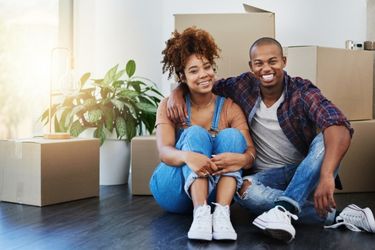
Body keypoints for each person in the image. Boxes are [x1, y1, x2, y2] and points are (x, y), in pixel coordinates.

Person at [167, 37, 375, 243]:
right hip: (265, 177)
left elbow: (339, 125)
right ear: (251, 66)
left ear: (284, 61)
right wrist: (178, 91)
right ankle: (335, 215)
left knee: (325, 139)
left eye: (273, 61)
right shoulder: (242, 86)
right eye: (259, 63)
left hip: (305, 172)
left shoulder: (302, 91)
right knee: (243, 191)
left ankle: (284, 209)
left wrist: (328, 174)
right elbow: (204, 82)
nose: (266, 69)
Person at [149, 27, 256, 241]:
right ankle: (200, 213)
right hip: (174, 189)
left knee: (233, 137)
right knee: (195, 133)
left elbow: (250, 149)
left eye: (206, 67)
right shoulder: (170, 106)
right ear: (182, 76)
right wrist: (189, 157)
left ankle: (222, 214)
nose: (203, 75)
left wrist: (243, 158)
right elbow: (164, 152)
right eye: (193, 70)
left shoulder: (229, 107)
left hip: (216, 191)